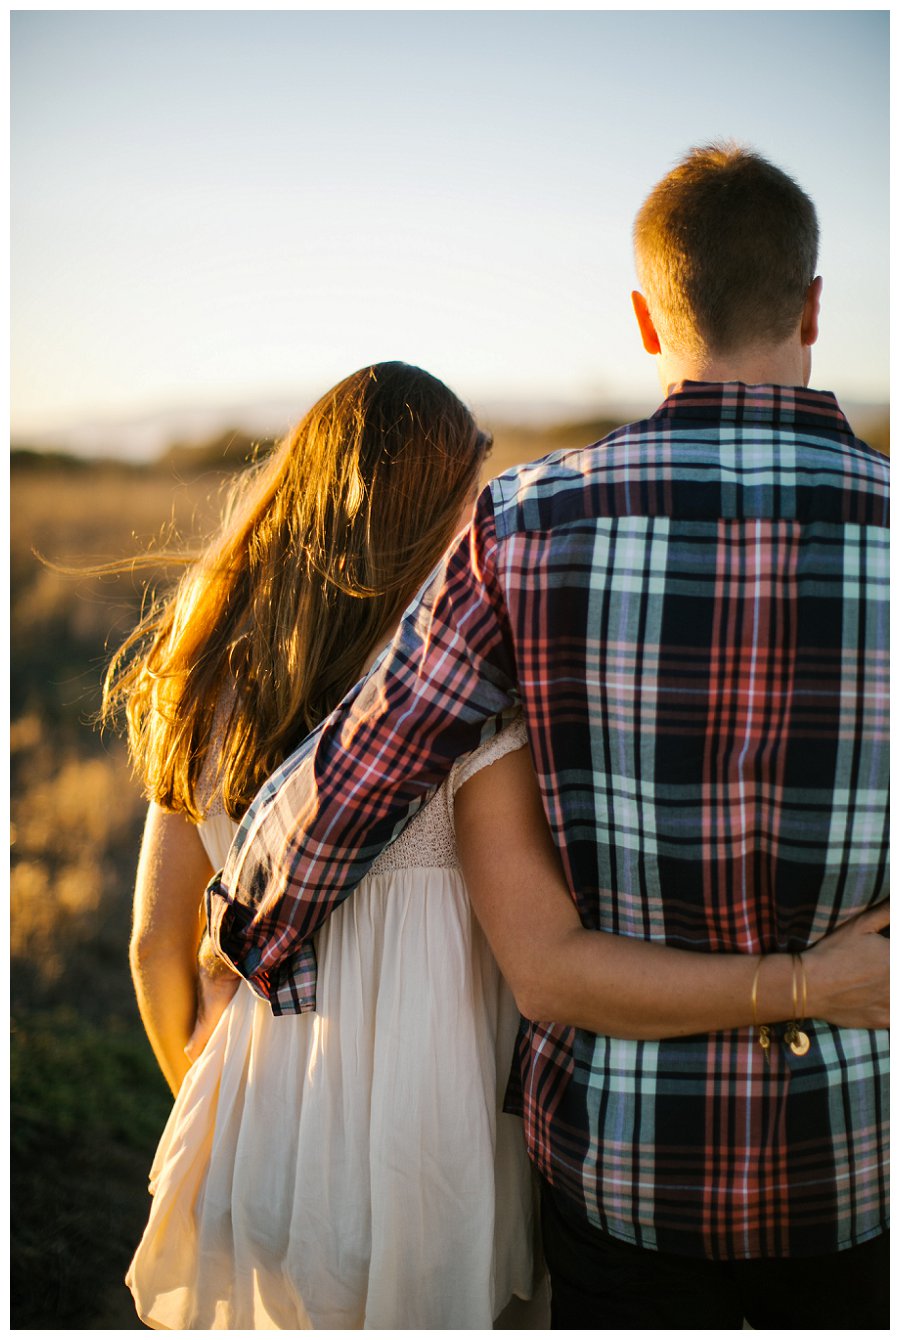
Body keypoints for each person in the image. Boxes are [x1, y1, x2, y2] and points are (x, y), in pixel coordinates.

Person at [205, 144, 890, 1330]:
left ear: (645, 316)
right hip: (864, 1158)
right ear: (815, 304)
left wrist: (250, 917)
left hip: (620, 1173)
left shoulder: (524, 525)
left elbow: (361, 774)